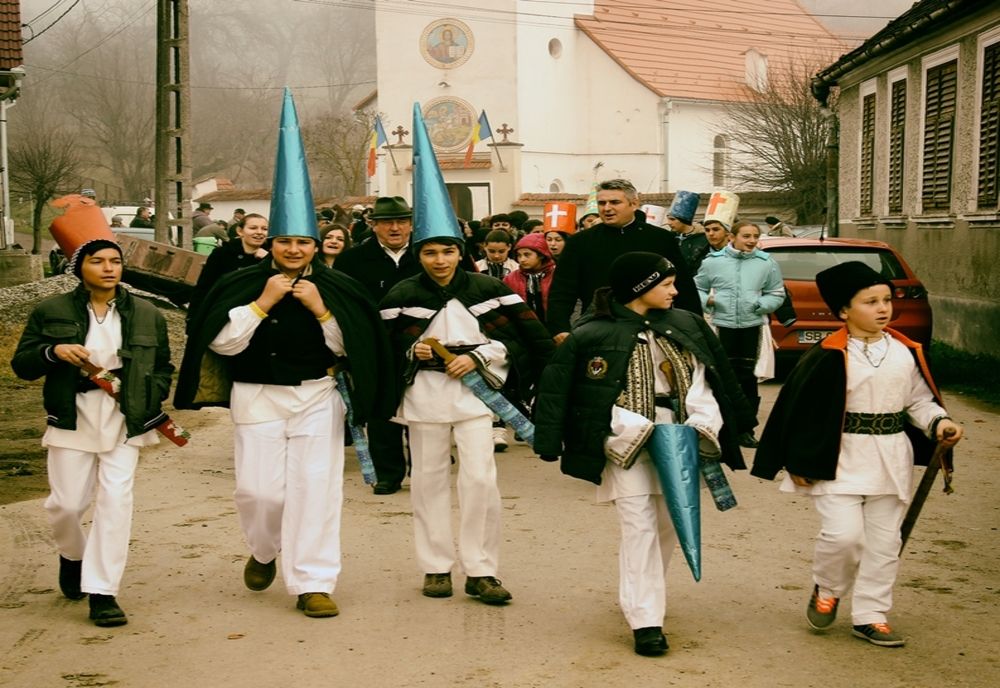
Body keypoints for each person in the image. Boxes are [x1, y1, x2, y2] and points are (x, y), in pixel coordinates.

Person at [175, 88, 393, 619]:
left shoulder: (338, 289)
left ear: (317, 245)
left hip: (318, 395)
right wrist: (263, 301)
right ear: (269, 243)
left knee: (316, 491)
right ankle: (263, 548)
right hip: (256, 395)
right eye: (284, 242)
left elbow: (356, 348)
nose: (294, 250)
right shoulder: (243, 281)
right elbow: (222, 343)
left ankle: (313, 581)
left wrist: (321, 311)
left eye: (303, 242)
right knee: (259, 493)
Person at [533, 252, 753, 657]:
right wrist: (550, 440)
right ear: (640, 287)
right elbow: (562, 388)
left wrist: (726, 420)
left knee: (670, 524)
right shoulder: (592, 333)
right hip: (624, 439)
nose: (675, 290)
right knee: (639, 526)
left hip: (683, 435)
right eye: (666, 284)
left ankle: (646, 594)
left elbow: (711, 376)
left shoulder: (687, 324)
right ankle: (646, 620)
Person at [379, 104, 554, 605]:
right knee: (428, 482)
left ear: (461, 250)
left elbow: (522, 340)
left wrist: (479, 357)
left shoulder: (487, 288)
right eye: (430, 252)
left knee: (480, 480)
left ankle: (481, 568)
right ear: (420, 254)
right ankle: (435, 565)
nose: (439, 260)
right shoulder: (400, 294)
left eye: (448, 251)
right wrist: (415, 350)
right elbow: (387, 347)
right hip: (425, 399)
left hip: (478, 399)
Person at [751, 261, 963, 648]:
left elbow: (919, 400)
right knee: (844, 537)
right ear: (844, 311)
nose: (883, 308)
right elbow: (801, 411)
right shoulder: (828, 354)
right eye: (870, 302)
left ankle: (871, 614)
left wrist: (938, 422)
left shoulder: (903, 350)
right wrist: (798, 459)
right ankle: (828, 587)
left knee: (884, 543)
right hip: (839, 457)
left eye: (886, 300)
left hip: (889, 456)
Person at [11, 195, 174, 628]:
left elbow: (163, 367)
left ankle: (102, 590)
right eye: (98, 260)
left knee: (116, 503)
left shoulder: (147, 313)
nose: (108, 268)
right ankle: (73, 555)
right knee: (65, 506)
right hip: (72, 415)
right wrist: (53, 350)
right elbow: (22, 365)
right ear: (79, 266)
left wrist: (148, 394)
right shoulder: (51, 310)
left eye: (115, 261)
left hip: (125, 418)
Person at [335, 196, 421, 495]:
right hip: (374, 346)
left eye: (401, 221)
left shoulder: (426, 255)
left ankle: (424, 468)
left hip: (422, 346)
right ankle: (388, 473)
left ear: (411, 224)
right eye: (386, 222)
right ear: (373, 226)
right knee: (381, 409)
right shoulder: (352, 260)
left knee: (423, 408)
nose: (394, 228)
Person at [546, 179, 701, 343]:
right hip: (599, 325)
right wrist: (559, 327)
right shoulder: (580, 242)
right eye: (602, 203)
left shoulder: (661, 238)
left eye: (614, 202)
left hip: (654, 326)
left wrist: (693, 326)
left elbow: (683, 285)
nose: (607, 208)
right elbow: (562, 289)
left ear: (634, 204)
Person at [694, 211, 784, 447]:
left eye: (755, 236)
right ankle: (722, 428)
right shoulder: (713, 262)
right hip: (721, 326)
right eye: (746, 236)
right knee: (722, 377)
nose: (752, 240)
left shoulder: (766, 262)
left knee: (748, 379)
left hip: (752, 327)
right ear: (732, 237)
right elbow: (696, 288)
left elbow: (777, 293)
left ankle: (746, 429)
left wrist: (761, 305)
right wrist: (709, 302)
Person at [187, 213, 270, 324]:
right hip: (223, 314)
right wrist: (192, 319)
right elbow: (204, 287)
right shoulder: (222, 253)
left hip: (256, 318)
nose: (259, 232)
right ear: (240, 231)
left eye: (264, 229)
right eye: (253, 228)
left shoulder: (272, 256)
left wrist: (267, 259)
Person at [503, 232, 555, 322]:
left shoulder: (556, 275)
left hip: (553, 327)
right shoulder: (510, 278)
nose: (522, 259)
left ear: (541, 255)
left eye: (527, 255)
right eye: (519, 255)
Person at [665, 191, 710, 273]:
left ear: (684, 220)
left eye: (672, 219)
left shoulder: (704, 239)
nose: (669, 223)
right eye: (668, 219)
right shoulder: (668, 237)